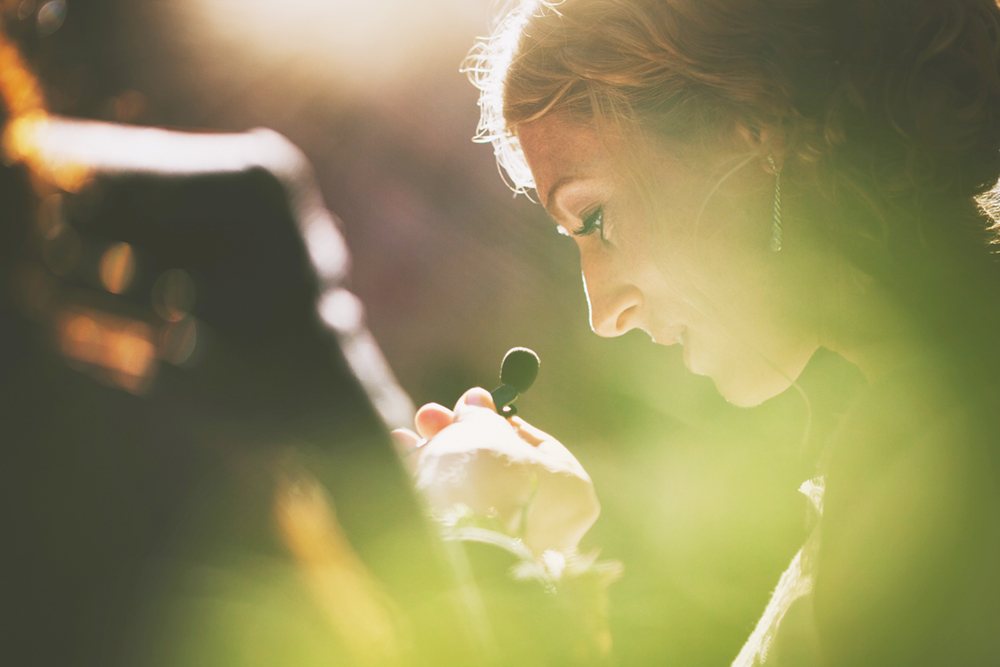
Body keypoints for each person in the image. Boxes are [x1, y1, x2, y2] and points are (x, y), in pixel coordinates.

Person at [393, 0, 1000, 665]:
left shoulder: (947, 480)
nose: (603, 313)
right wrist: (535, 543)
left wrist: (483, 536)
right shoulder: (914, 431)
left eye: (595, 218)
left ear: (752, 122)